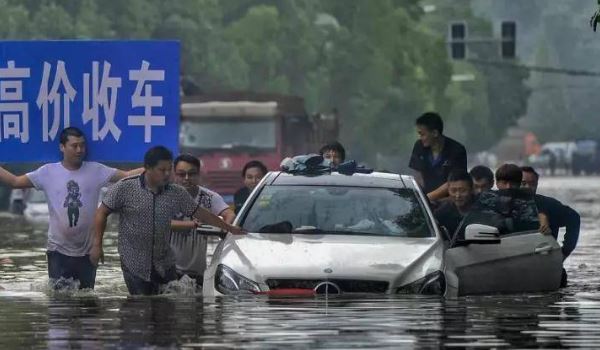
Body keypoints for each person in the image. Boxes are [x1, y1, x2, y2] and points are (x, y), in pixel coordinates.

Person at [0, 127, 143, 289]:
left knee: (86, 300)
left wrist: (155, 169)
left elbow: (126, 176)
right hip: (58, 250)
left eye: (82, 145)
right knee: (59, 301)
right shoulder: (47, 172)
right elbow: (15, 182)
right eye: (74, 146)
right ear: (62, 147)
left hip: (88, 251)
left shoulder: (96, 170)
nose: (79, 150)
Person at [90, 146, 244, 296]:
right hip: (134, 262)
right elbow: (101, 213)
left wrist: (228, 227)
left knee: (168, 307)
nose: (167, 174)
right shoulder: (124, 188)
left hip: (165, 263)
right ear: (148, 168)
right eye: (162, 170)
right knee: (140, 308)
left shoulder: (176, 193)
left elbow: (202, 213)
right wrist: (97, 245)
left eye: (169, 169)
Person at [170, 154, 235, 283]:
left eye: (192, 174)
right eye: (181, 174)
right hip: (169, 270)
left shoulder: (209, 197)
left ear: (199, 174)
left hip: (198, 272)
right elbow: (157, 222)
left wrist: (224, 230)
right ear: (174, 174)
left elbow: (230, 214)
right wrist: (189, 225)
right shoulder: (165, 196)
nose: (187, 178)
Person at [521, 166, 580, 287]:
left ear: (537, 184)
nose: (527, 187)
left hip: (547, 266)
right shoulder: (503, 204)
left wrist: (563, 253)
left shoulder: (548, 204)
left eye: (532, 184)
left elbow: (574, 218)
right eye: (523, 183)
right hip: (514, 264)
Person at [409, 112, 467, 201]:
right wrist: (420, 196)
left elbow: (454, 181)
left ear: (435, 133)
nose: (420, 138)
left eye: (422, 134)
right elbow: (417, 175)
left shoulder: (457, 150)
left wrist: (428, 198)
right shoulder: (419, 146)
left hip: (449, 200)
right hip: (424, 199)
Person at [434, 171, 476, 240]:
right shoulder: (441, 214)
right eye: (453, 191)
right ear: (448, 190)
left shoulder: (483, 209)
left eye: (462, 191)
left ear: (471, 189)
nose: (458, 195)